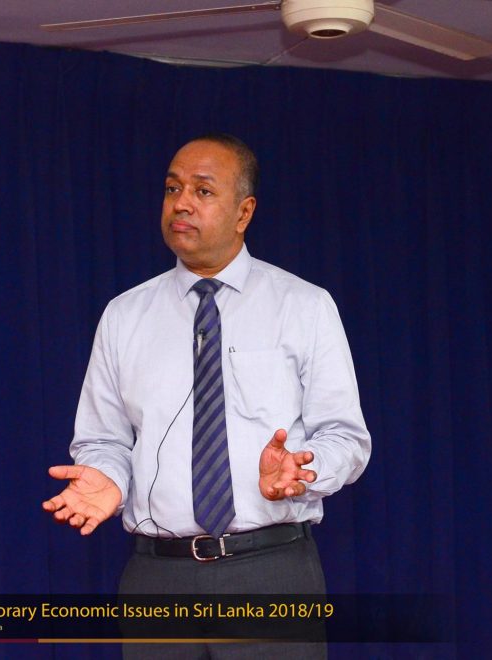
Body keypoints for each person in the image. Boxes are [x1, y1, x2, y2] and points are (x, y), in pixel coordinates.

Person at [43, 133, 371, 659]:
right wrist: (108, 477)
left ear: (244, 212)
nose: (181, 203)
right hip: (157, 578)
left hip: (269, 573)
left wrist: (303, 468)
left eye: (202, 190)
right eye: (172, 188)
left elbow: (345, 436)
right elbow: (104, 439)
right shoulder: (124, 315)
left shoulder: (304, 306)